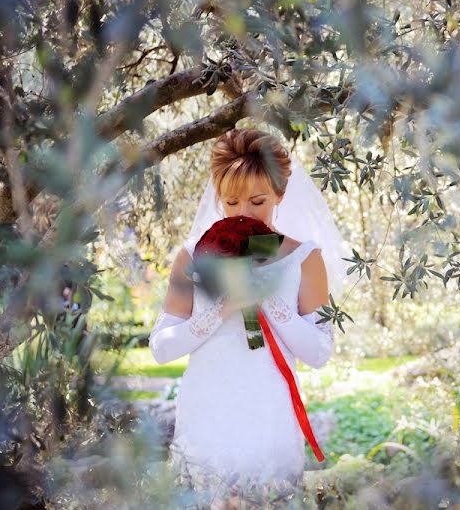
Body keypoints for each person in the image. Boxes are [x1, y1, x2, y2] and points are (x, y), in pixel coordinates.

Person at [147, 128, 345, 508]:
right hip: (207, 411)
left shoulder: (304, 258)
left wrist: (271, 302)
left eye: (257, 201)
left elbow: (320, 352)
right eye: (231, 202)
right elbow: (160, 348)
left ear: (279, 195)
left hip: (268, 413)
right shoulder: (192, 255)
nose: (243, 214)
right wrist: (222, 308)